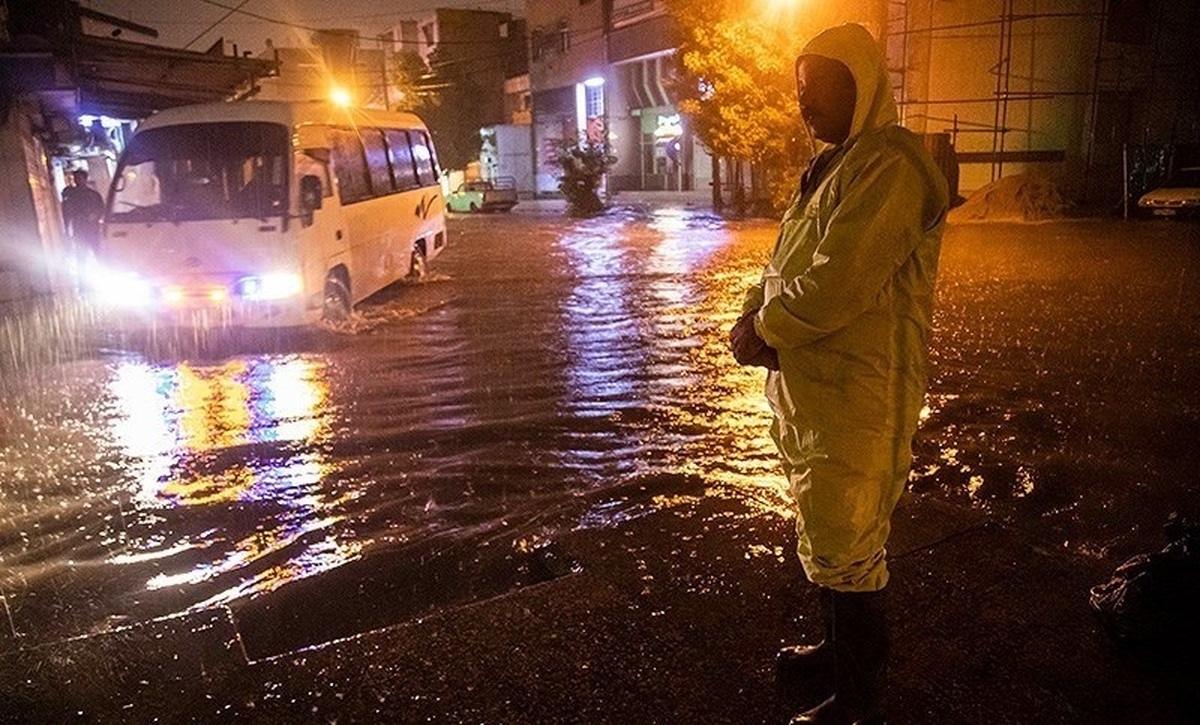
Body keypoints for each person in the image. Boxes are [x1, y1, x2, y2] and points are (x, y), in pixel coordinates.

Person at [729, 23, 949, 725]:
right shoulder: (836, 166)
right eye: (798, 90)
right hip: (814, 387)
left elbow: (836, 282)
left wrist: (762, 329)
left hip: (862, 391)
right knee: (824, 528)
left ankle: (857, 698)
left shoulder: (893, 166)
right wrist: (751, 313)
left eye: (818, 87)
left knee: (851, 541)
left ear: (862, 88)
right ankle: (833, 653)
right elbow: (784, 265)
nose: (803, 103)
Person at [61, 168, 106, 262]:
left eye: (79, 178)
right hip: (79, 228)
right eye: (75, 178)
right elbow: (67, 212)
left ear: (85, 179)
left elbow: (101, 209)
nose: (77, 181)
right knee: (81, 255)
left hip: (92, 228)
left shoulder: (93, 195)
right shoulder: (71, 195)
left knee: (98, 253)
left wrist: (95, 215)